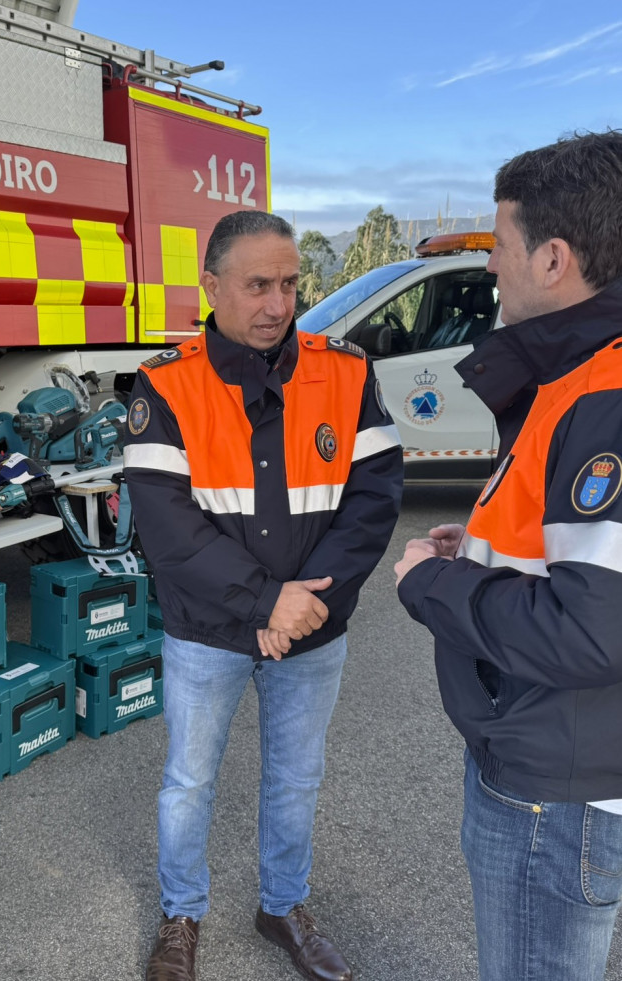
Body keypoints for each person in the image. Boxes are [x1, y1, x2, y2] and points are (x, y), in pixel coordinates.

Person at [124, 210, 403, 981]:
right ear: (210, 286)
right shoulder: (165, 380)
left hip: (311, 628)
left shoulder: (344, 370)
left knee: (294, 776)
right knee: (188, 779)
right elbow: (166, 525)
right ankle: (180, 915)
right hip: (207, 630)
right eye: (256, 285)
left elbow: (376, 495)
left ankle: (283, 905)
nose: (277, 304)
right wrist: (265, 601)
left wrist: (306, 603)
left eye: (287, 283)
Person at [395, 130, 622, 981]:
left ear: (553, 257)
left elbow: (593, 628)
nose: (490, 267)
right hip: (553, 759)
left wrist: (431, 583)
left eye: (499, 245)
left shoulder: (603, 394)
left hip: (552, 788)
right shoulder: (581, 376)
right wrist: (481, 555)